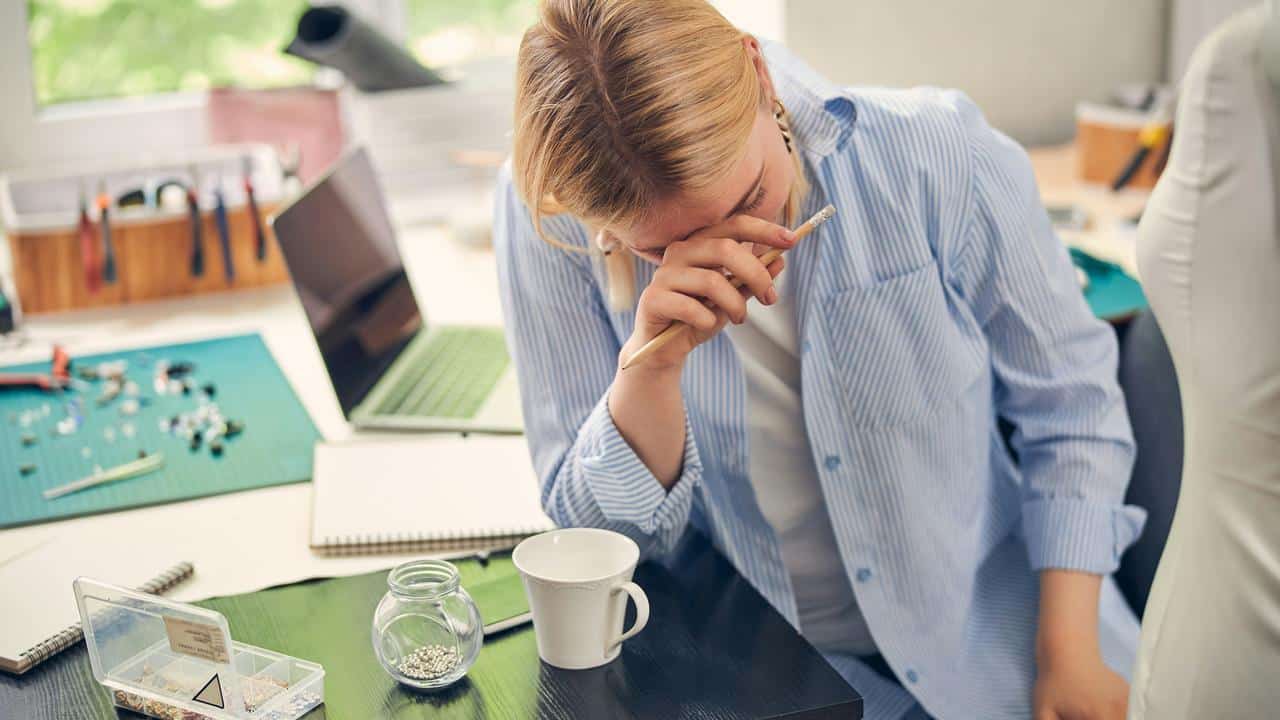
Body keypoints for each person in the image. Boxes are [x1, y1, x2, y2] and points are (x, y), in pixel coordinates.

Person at [493, 1, 1146, 717]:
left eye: (751, 197)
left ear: (758, 69)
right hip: (775, 673)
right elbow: (594, 550)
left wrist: (1069, 653)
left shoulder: (938, 155)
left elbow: (1074, 407)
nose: (734, 251)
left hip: (1007, 637)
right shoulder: (554, 225)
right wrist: (648, 373)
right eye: (662, 248)